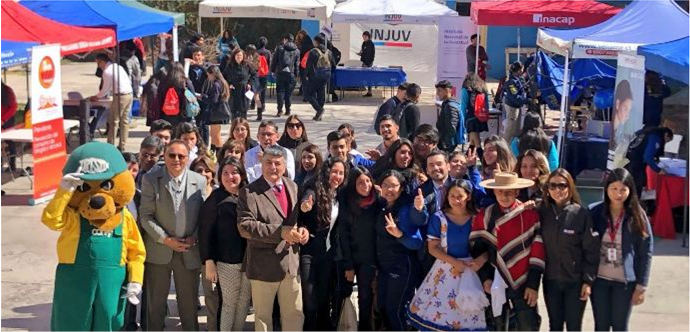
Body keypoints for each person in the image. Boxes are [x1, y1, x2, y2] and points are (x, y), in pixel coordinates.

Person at [237, 145, 308, 332]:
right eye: (268, 162)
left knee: (295, 314)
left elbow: (296, 220)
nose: (273, 167)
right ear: (261, 163)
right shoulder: (249, 192)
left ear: (285, 165)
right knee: (262, 319)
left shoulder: (292, 186)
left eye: (277, 163)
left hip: (291, 263)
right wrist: (280, 232)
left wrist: (303, 230)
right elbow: (245, 227)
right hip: (263, 265)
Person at [139, 139, 208, 332]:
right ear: (164, 156)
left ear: (187, 158)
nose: (176, 159)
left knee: (188, 305)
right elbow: (146, 216)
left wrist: (194, 237)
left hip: (188, 251)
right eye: (171, 155)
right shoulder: (151, 180)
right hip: (159, 250)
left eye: (181, 156)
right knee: (156, 305)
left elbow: (204, 216)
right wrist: (166, 240)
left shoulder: (199, 180)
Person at [408, 180, 489, 331]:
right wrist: (455, 262)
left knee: (468, 318)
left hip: (473, 272)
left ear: (469, 197)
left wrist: (482, 259)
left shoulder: (478, 217)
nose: (456, 200)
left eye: (460, 196)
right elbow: (432, 248)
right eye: (452, 196)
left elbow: (490, 246)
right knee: (443, 317)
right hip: (445, 272)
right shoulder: (439, 218)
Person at [470, 171, 545, 332]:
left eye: (509, 192)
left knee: (528, 324)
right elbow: (478, 250)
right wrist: (485, 279)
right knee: (497, 325)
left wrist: (533, 284)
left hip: (523, 280)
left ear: (517, 192)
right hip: (494, 279)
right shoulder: (485, 216)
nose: (504, 196)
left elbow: (537, 252)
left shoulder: (530, 215)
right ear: (494, 191)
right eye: (500, 191)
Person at [589, 168, 653, 332]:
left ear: (630, 190)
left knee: (620, 326)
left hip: (624, 283)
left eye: (623, 189)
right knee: (601, 325)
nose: (618, 194)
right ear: (607, 189)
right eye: (614, 189)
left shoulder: (637, 215)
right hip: (599, 280)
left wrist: (641, 286)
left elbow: (645, 251)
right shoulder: (595, 212)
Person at [537, 168, 600, 332]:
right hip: (551, 281)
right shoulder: (541, 212)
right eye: (552, 186)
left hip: (575, 282)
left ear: (570, 187)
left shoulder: (580, 214)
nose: (557, 190)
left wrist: (588, 281)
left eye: (562, 185)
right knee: (555, 325)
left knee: (574, 326)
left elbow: (591, 250)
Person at [199, 157, 251, 332]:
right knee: (229, 303)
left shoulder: (249, 195)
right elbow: (205, 232)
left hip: (249, 259)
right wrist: (208, 260)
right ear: (220, 176)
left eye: (235, 172)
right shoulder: (216, 199)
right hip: (226, 261)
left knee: (244, 301)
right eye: (225, 173)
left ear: (242, 175)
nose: (230, 177)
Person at [298, 158, 349, 331]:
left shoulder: (340, 194)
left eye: (341, 173)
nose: (337, 176)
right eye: (334, 171)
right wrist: (305, 205)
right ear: (327, 171)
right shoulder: (314, 188)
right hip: (309, 252)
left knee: (323, 300)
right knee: (310, 301)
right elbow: (306, 202)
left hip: (328, 253)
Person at [375, 170, 423, 331]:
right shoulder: (382, 205)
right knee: (382, 307)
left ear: (401, 188)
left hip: (402, 266)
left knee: (395, 310)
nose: (389, 189)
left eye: (394, 186)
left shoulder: (405, 209)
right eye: (385, 185)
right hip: (384, 266)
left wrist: (399, 234)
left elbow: (417, 242)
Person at [336, 166, 379, 331]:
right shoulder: (346, 202)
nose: (366, 185)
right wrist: (348, 265)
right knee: (344, 294)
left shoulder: (377, 202)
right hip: (351, 257)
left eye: (368, 181)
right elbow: (344, 235)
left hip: (371, 259)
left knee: (366, 298)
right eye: (361, 182)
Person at [91, 53, 133, 151]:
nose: (98, 66)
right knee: (124, 122)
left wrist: (96, 97)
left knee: (114, 121)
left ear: (101, 61)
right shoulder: (118, 67)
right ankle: (122, 145)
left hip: (120, 96)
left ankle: (111, 145)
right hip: (129, 94)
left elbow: (105, 89)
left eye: (98, 63)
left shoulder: (107, 71)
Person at [625, 126, 674, 197]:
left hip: (628, 160)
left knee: (635, 186)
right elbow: (648, 157)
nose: (665, 143)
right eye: (667, 140)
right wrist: (658, 170)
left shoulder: (647, 132)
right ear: (666, 134)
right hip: (636, 164)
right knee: (636, 188)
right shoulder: (655, 138)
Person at [304, 34, 336, 122]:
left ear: (316, 42)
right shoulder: (329, 52)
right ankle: (319, 115)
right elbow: (334, 64)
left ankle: (319, 110)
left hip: (315, 76)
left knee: (308, 94)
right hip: (326, 76)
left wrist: (307, 75)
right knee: (321, 94)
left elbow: (309, 65)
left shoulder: (313, 51)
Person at [202, 65, 232, 151]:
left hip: (216, 112)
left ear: (213, 74)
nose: (208, 77)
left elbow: (213, 100)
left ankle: (219, 153)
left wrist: (203, 97)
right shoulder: (223, 83)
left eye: (209, 75)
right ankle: (213, 151)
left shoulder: (216, 84)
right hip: (220, 112)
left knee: (216, 134)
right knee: (214, 134)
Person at [271, 33, 300, 117]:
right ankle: (288, 110)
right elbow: (297, 64)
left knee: (280, 92)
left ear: (285, 39)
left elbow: (274, 60)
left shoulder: (280, 48)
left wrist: (273, 70)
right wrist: (296, 74)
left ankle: (280, 110)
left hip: (280, 73)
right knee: (288, 93)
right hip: (291, 74)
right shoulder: (297, 50)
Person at [223, 48, 256, 120]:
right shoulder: (230, 65)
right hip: (234, 89)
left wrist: (249, 83)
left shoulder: (247, 65)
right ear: (234, 56)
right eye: (237, 55)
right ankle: (234, 127)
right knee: (233, 110)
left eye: (240, 55)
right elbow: (224, 77)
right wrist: (229, 84)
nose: (239, 57)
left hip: (244, 89)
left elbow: (254, 75)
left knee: (243, 110)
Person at [462, 73, 490, 155]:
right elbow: (487, 104)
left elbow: (463, 106)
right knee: (473, 141)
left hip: (471, 116)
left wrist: (462, 120)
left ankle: (482, 158)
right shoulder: (483, 89)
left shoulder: (466, 89)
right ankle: (467, 157)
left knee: (477, 143)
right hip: (480, 116)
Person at [188, 47, 211, 145]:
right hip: (195, 97)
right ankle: (199, 144)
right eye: (194, 55)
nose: (196, 57)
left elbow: (208, 74)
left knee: (205, 124)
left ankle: (205, 146)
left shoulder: (207, 66)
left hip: (205, 97)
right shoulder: (190, 68)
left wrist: (198, 65)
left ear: (202, 56)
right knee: (198, 123)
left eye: (198, 55)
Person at [503, 62, 529, 142]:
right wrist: (527, 100)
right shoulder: (511, 82)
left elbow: (521, 89)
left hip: (516, 106)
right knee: (510, 130)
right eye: (521, 69)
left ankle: (512, 148)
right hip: (512, 107)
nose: (522, 71)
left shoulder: (518, 79)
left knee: (516, 130)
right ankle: (504, 147)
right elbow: (515, 96)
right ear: (517, 70)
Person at [435, 80, 463, 153]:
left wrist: (445, 144)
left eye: (439, 91)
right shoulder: (447, 104)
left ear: (447, 91)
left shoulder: (450, 106)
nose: (437, 93)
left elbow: (451, 128)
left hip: (447, 144)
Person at [612, 79, 634, 149]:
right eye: (625, 109)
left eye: (629, 110)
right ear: (618, 104)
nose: (627, 115)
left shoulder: (620, 133)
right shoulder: (611, 130)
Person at [1, 81, 18, 173]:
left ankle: (12, 164)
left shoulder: (7, 91)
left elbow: (13, 107)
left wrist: (3, 120)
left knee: (9, 141)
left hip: (7, 120)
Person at [256, 37, 272, 121]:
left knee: (256, 93)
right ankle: (263, 106)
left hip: (257, 74)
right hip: (265, 74)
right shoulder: (268, 52)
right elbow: (270, 63)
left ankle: (254, 106)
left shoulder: (256, 52)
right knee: (263, 92)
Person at [295, 30, 314, 98]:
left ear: (303, 34)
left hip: (304, 62)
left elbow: (304, 50)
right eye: (299, 35)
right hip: (305, 62)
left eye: (301, 35)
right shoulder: (305, 41)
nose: (300, 36)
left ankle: (305, 94)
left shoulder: (306, 41)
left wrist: (299, 50)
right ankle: (302, 91)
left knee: (304, 78)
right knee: (303, 79)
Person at [357, 31, 376, 97]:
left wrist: (367, 64)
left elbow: (370, 55)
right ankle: (364, 89)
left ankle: (369, 91)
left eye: (365, 37)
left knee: (369, 77)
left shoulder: (371, 44)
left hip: (368, 63)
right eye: (363, 37)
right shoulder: (364, 43)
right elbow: (363, 51)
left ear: (368, 36)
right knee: (363, 77)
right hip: (363, 62)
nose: (364, 38)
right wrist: (360, 53)